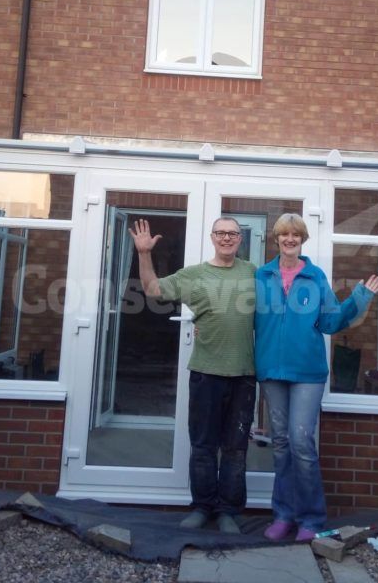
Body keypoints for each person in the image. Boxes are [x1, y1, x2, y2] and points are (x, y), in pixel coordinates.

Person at [254, 212, 378, 542]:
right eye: (284, 234)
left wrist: (359, 298)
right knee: (280, 445)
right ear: (277, 239)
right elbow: (242, 318)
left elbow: (330, 322)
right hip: (271, 371)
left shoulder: (315, 277)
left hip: (307, 373)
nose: (290, 239)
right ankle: (283, 515)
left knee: (302, 443)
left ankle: (310, 519)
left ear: (303, 240)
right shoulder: (262, 276)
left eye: (296, 234)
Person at [129, 216, 256, 534]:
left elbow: (284, 288)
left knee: (235, 447)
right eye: (221, 233)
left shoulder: (255, 273)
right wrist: (144, 253)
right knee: (202, 445)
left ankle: (228, 511)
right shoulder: (194, 275)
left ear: (240, 239)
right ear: (212, 237)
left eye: (233, 234)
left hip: (243, 375)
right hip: (205, 373)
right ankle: (202, 507)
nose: (227, 238)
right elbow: (152, 289)